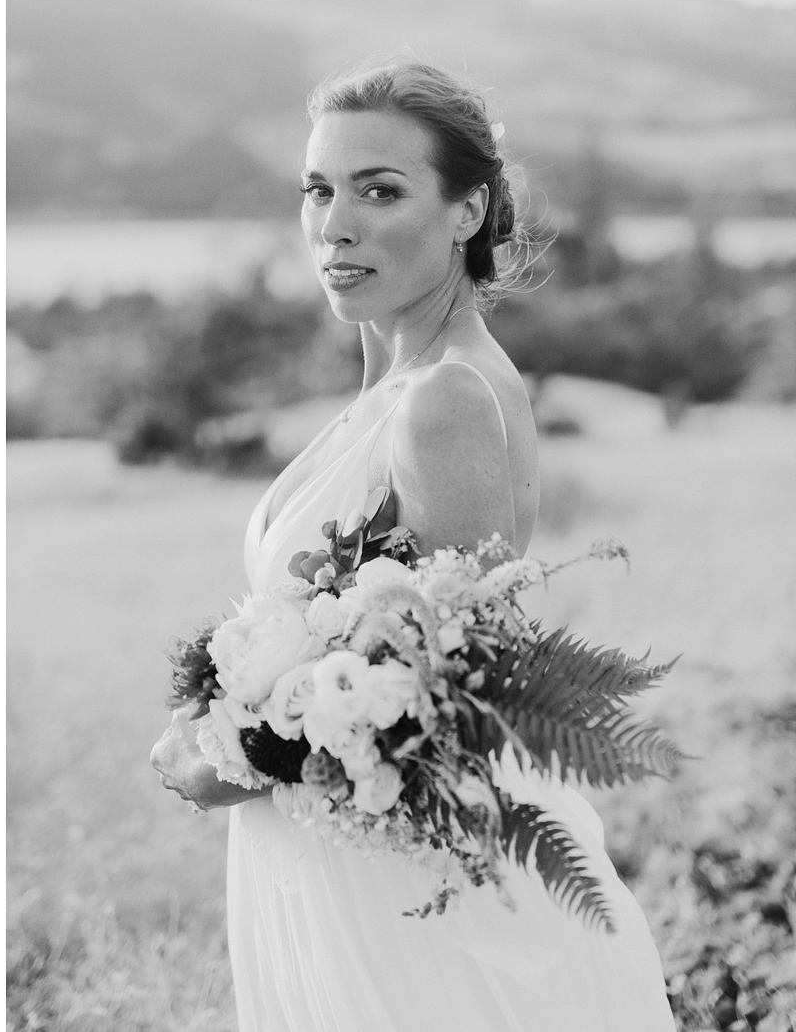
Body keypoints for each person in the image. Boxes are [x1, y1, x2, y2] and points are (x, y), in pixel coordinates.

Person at [150, 62, 674, 1030]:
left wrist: (218, 758)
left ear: (467, 210)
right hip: (334, 859)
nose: (334, 224)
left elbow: (437, 698)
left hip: (408, 895)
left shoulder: (444, 401)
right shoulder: (396, 384)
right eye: (318, 189)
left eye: (379, 190)